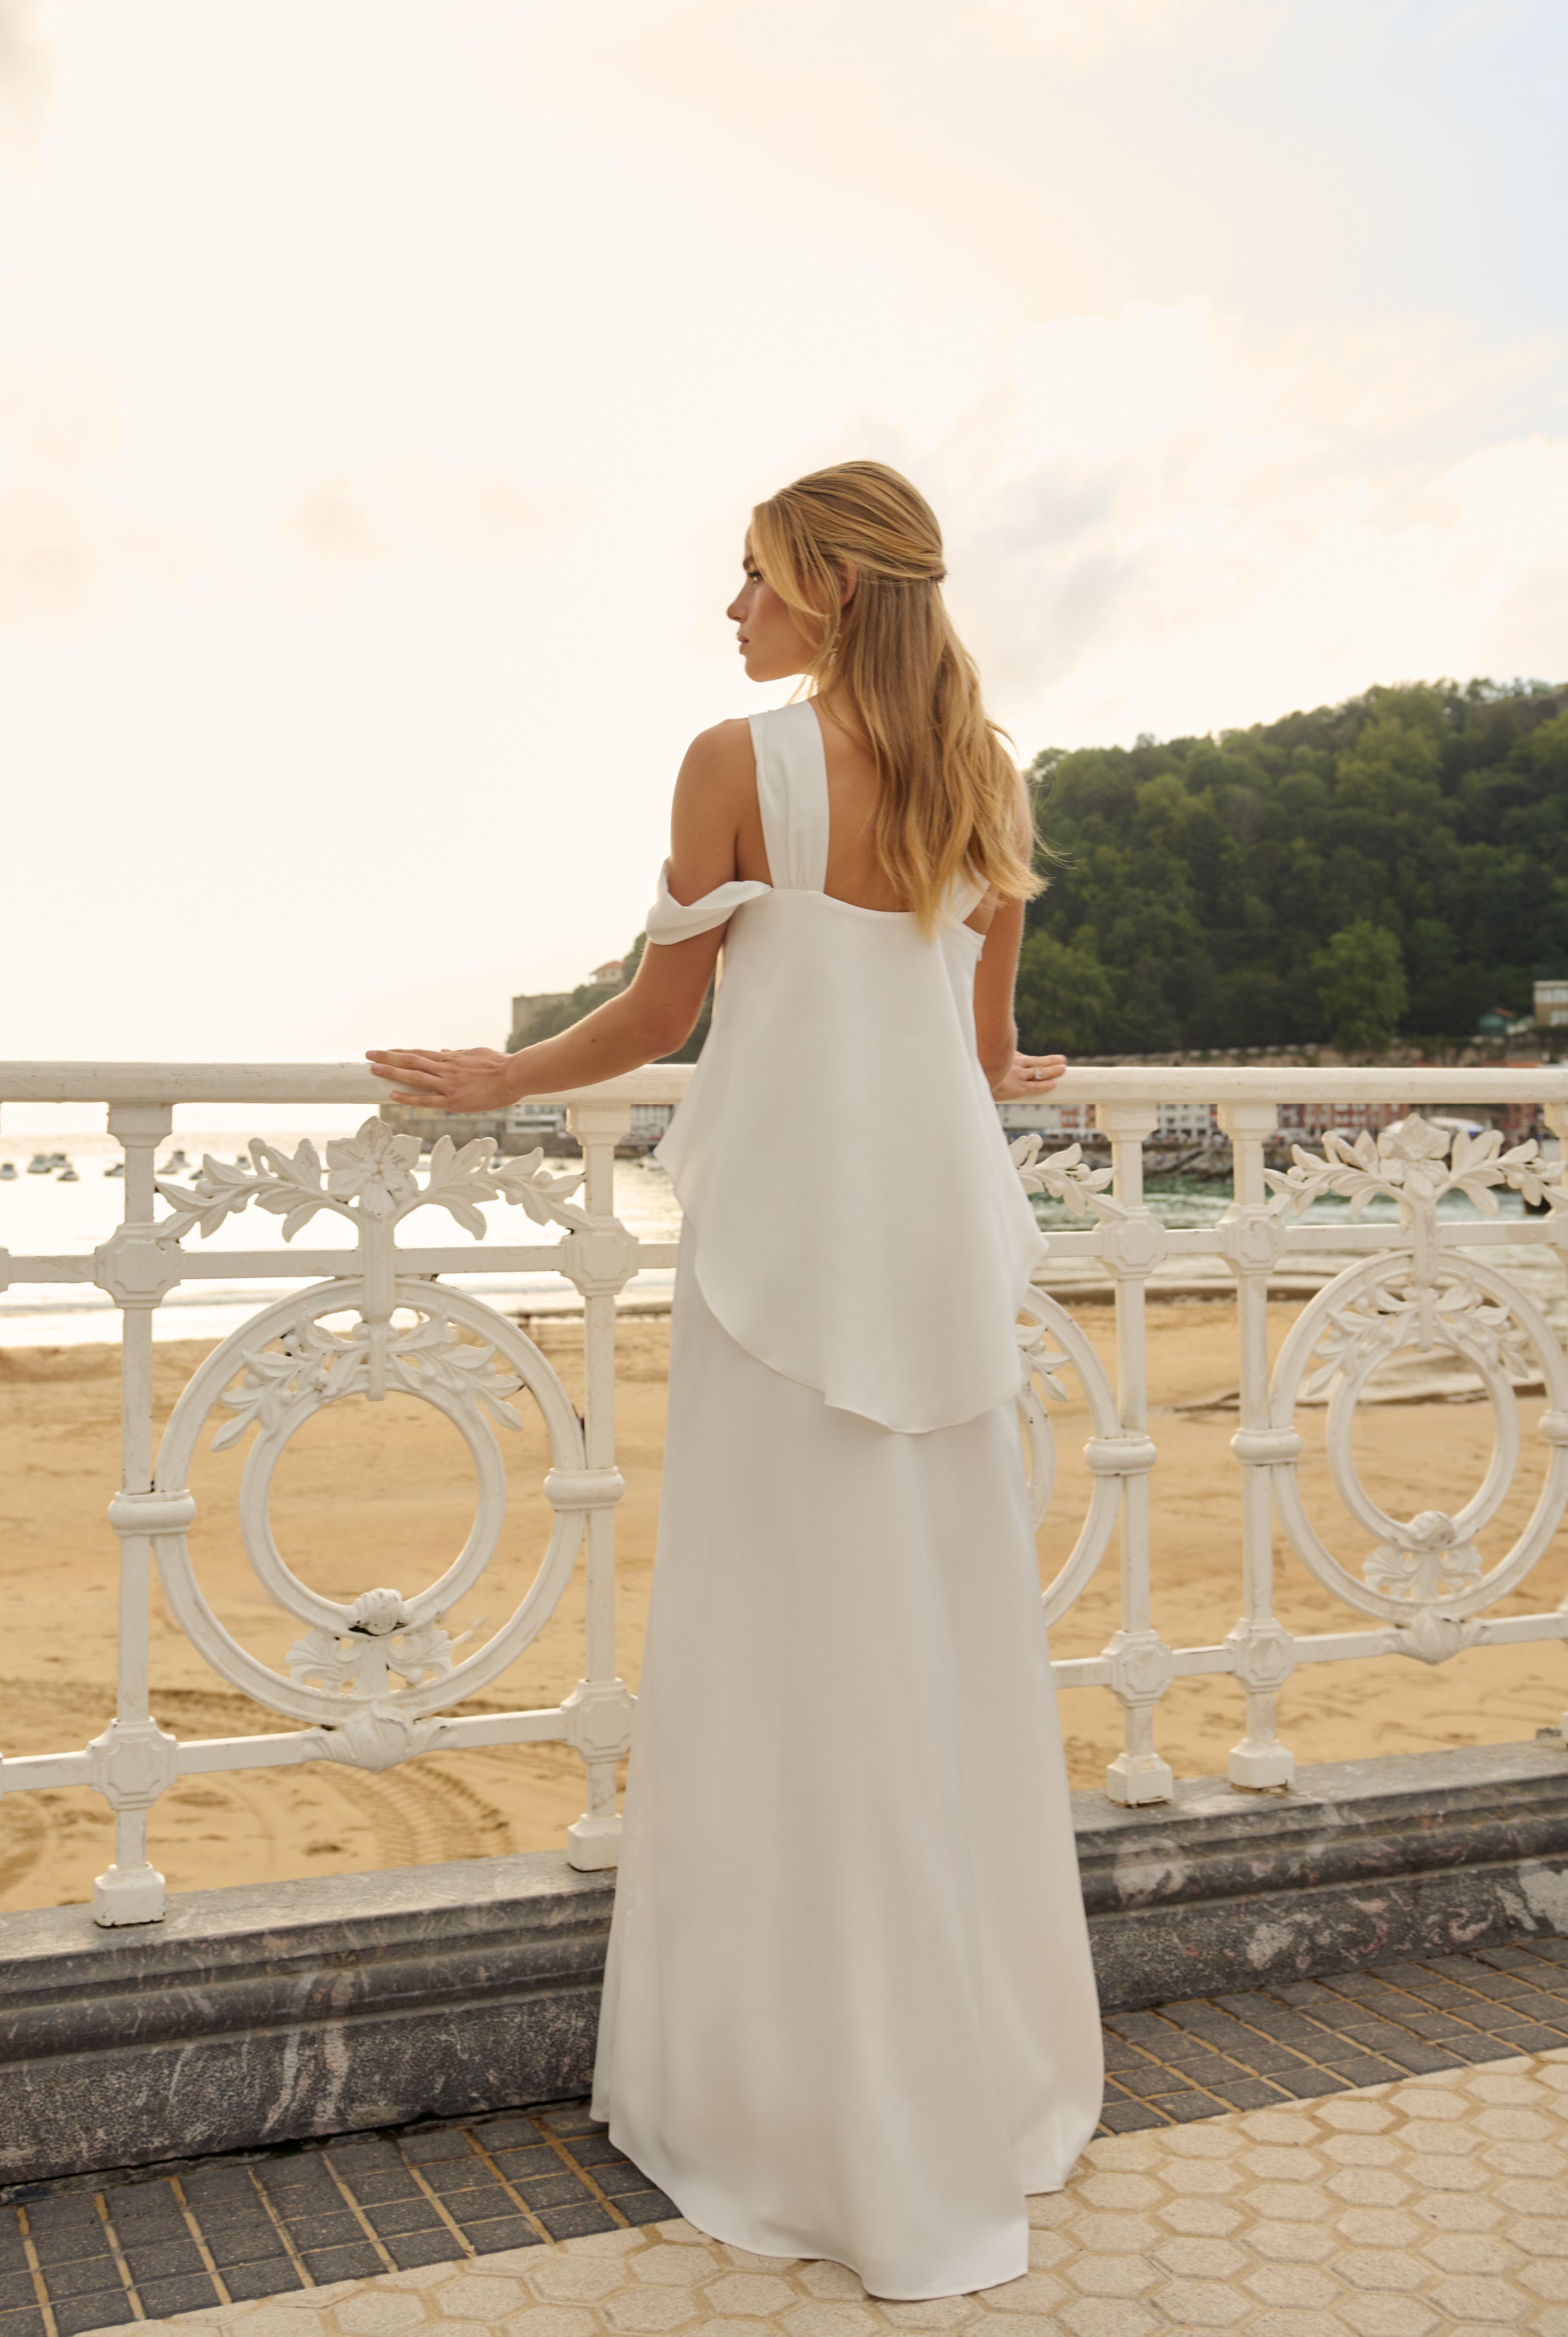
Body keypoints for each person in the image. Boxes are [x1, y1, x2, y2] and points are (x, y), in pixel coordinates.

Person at [368, 459, 1102, 2300]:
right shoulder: (989, 777)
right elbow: (987, 1046)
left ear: (834, 588)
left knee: (785, 1633)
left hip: (790, 1243)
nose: (734, 611)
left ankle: (798, 2100)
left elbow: (655, 1020)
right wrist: (1003, 1070)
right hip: (932, 1232)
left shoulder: (735, 761)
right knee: (933, 1636)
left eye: (757, 578)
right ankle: (964, 2078)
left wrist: (501, 1079)